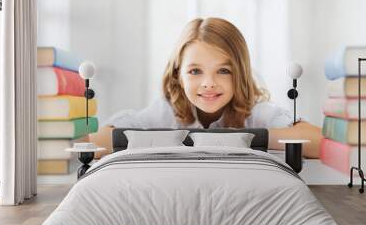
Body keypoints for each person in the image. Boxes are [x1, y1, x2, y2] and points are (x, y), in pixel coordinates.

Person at [90, 17, 322, 158]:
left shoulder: (256, 112)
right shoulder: (167, 111)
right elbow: (97, 141)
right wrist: (178, 139)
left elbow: (318, 142)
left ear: (239, 74)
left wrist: (240, 137)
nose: (209, 83)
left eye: (223, 70)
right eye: (195, 71)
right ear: (178, 75)